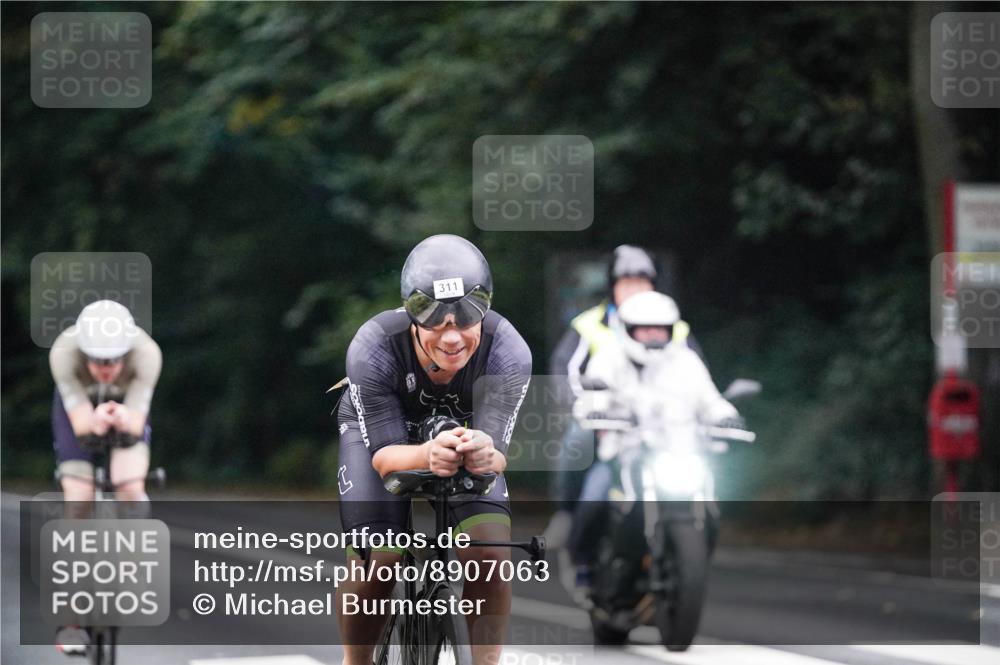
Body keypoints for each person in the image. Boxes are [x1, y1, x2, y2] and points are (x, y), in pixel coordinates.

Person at [335, 234, 532, 665]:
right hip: (383, 435)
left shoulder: (509, 351)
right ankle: (357, 661)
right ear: (412, 316)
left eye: (465, 318)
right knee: (378, 560)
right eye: (435, 321)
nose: (452, 337)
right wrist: (426, 455)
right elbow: (385, 457)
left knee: (491, 556)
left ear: (485, 311)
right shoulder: (374, 348)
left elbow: (497, 454)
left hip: (461, 435)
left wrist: (484, 451)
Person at [566, 291, 741, 590]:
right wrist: (595, 409)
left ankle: (688, 566)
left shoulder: (686, 361)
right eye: (645, 329)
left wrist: (726, 415)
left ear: (672, 331)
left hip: (678, 451)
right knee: (593, 500)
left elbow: (709, 399)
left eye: (660, 329)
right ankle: (583, 563)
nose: (653, 336)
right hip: (623, 453)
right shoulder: (610, 357)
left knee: (712, 505)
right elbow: (592, 395)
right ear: (629, 330)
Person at [546, 245, 701, 545]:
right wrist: (584, 406)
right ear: (613, 288)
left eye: (642, 283)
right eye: (627, 283)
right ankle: (566, 512)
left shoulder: (675, 329)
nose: (635, 291)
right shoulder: (589, 325)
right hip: (605, 419)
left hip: (663, 421)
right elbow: (565, 370)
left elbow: (697, 376)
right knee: (578, 438)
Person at [48, 299, 162, 654]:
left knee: (129, 487)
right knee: (79, 499)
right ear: (83, 352)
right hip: (78, 411)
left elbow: (137, 421)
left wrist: (120, 418)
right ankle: (70, 621)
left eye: (113, 360)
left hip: (128, 409)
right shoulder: (63, 353)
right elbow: (82, 425)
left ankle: (134, 564)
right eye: (97, 360)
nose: (106, 368)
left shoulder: (147, 354)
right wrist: (95, 419)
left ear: (127, 351)